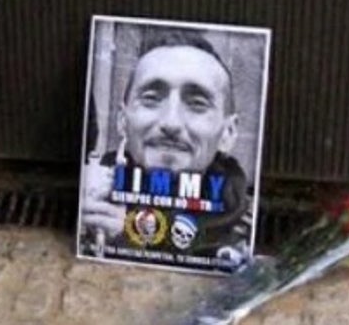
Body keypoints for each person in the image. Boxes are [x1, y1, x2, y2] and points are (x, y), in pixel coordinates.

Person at [80, 28, 253, 269]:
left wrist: (132, 238)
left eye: (197, 104)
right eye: (151, 98)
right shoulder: (84, 206)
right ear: (122, 120)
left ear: (228, 132)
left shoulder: (250, 241)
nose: (171, 123)